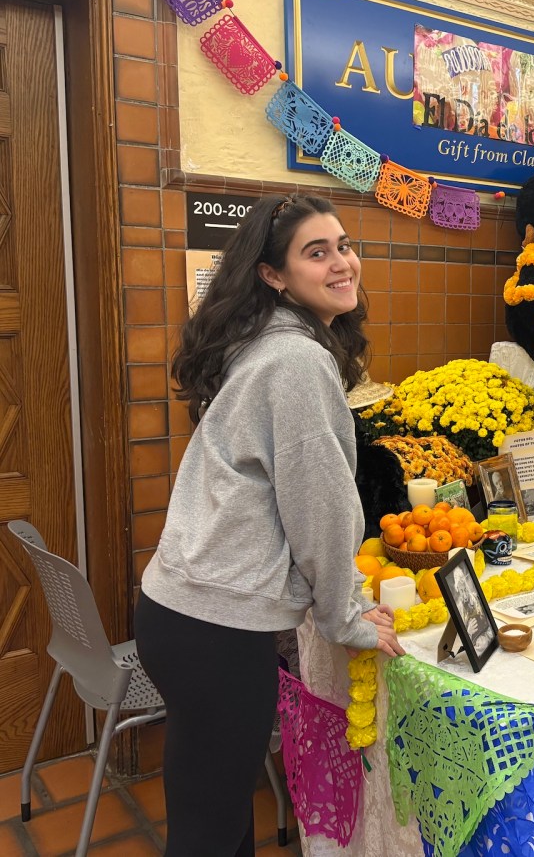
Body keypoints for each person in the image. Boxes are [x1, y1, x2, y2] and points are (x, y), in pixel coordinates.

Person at [134, 194, 403, 857]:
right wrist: (346, 619)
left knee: (217, 818)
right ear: (273, 275)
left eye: (344, 245)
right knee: (208, 832)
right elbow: (321, 507)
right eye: (318, 252)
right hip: (215, 631)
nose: (343, 263)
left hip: (183, 614)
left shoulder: (269, 339)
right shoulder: (296, 361)